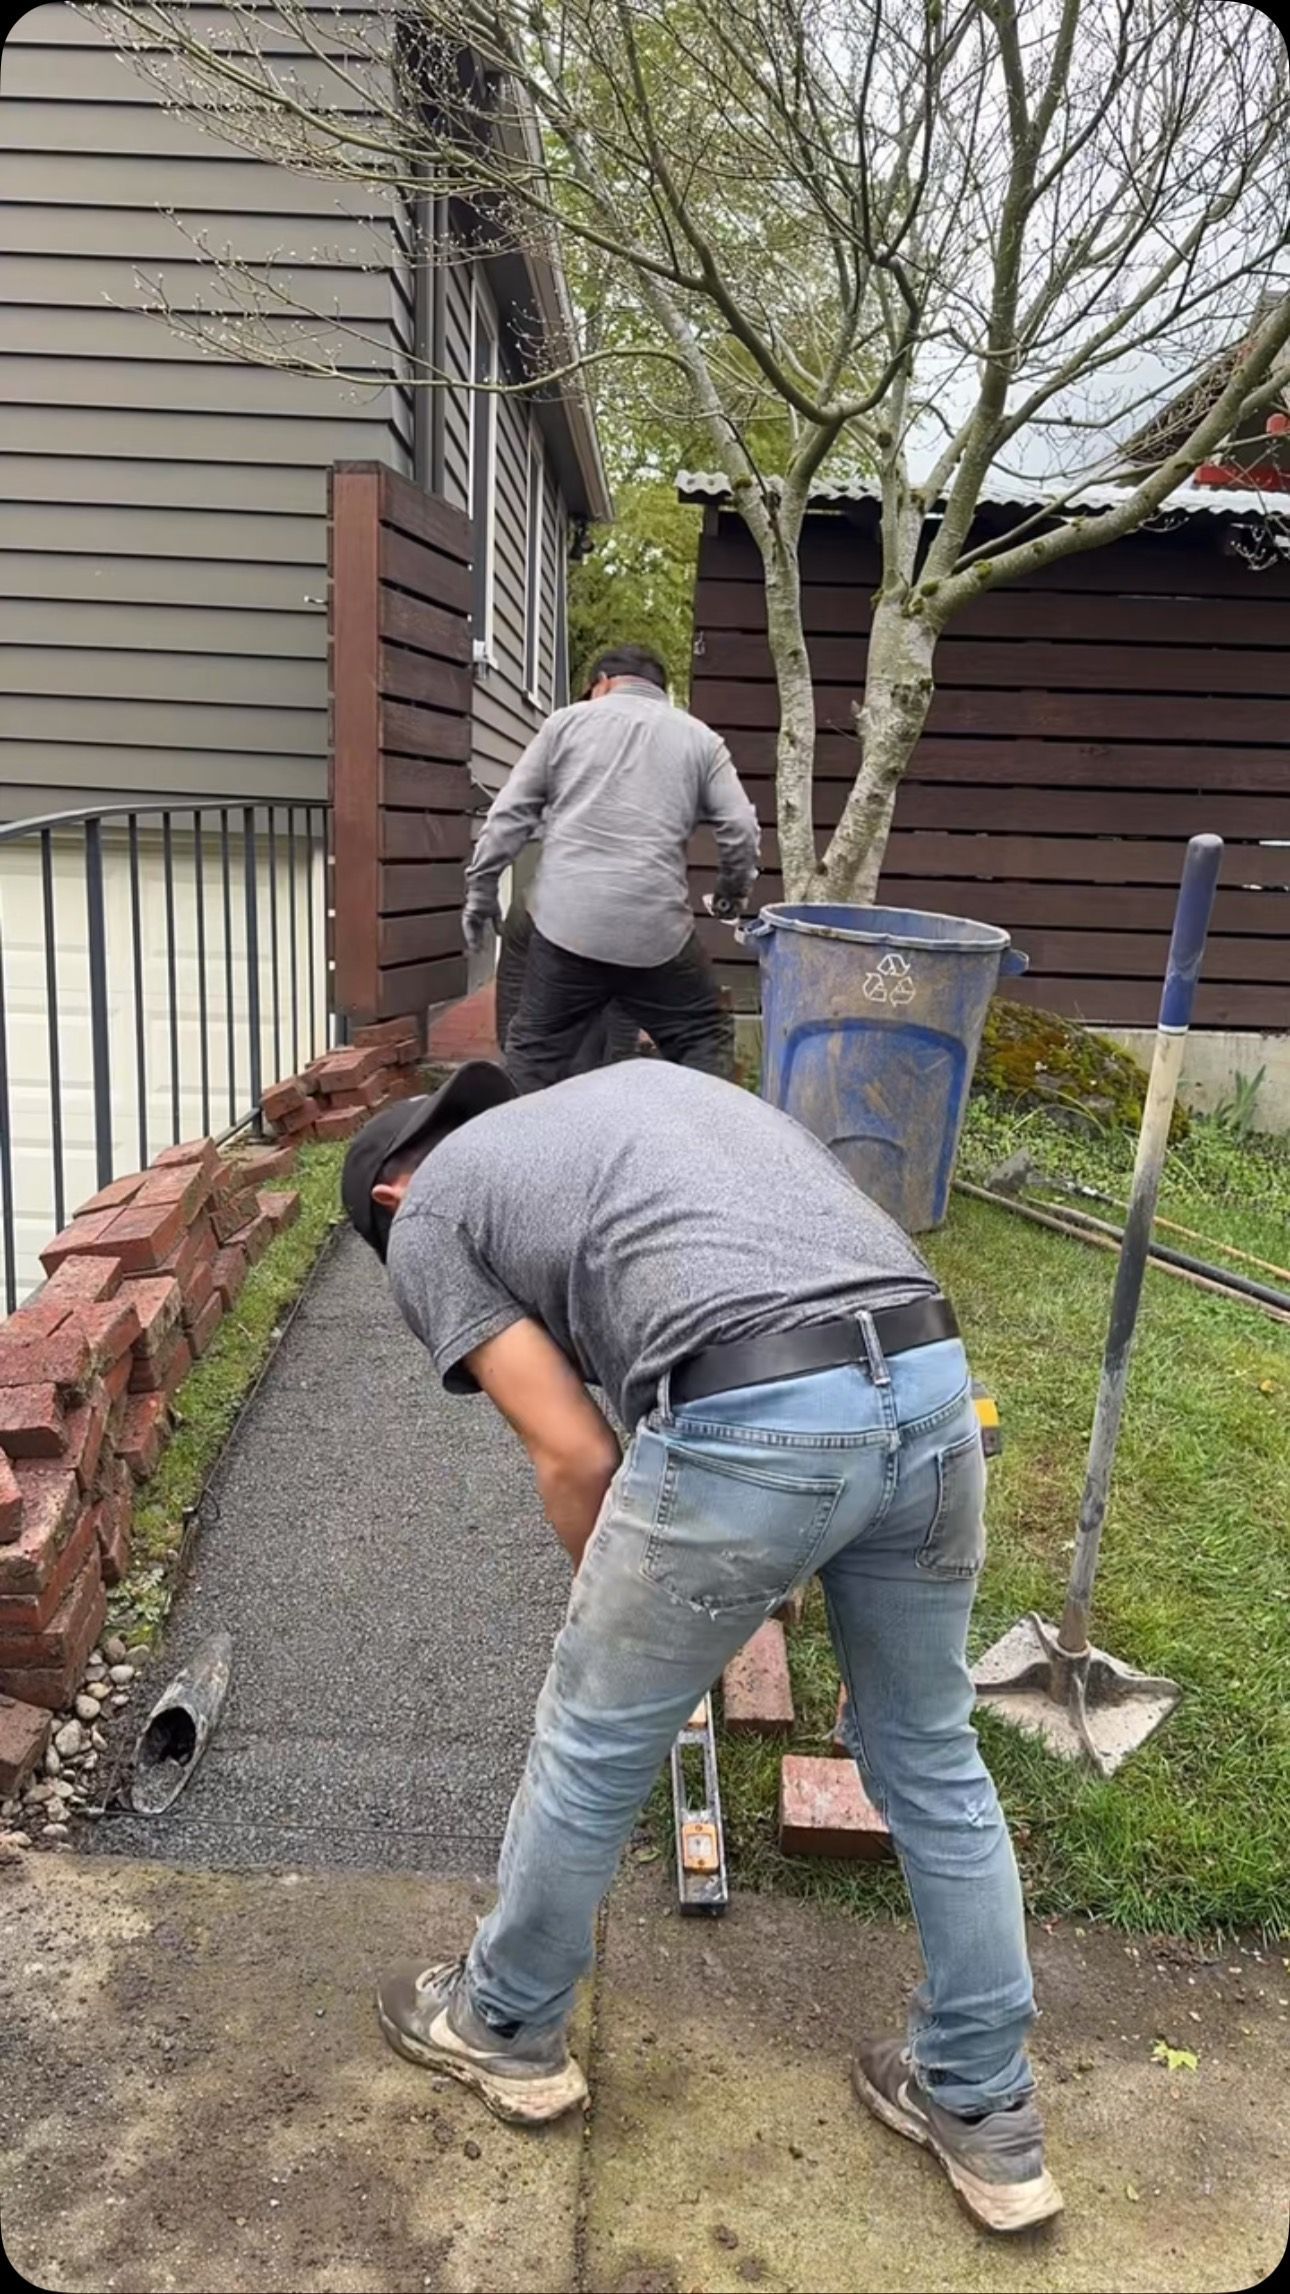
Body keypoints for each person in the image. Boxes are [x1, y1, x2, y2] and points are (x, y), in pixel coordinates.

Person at [341, 1061, 1063, 2237]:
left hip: (754, 1408)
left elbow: (574, 1453)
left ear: (386, 1192)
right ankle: (988, 2109)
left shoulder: (427, 1208)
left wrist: (636, 1620)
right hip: (932, 1390)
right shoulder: (632, 1105)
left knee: (592, 1742)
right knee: (931, 1751)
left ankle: (505, 2023)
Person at [461, 643, 760, 1091]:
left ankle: (512, 1150)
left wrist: (481, 890)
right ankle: (700, 1146)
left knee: (535, 1053)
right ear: (660, 690)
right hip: (655, 936)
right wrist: (732, 892)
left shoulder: (563, 724)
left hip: (566, 930)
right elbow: (740, 827)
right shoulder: (701, 739)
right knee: (703, 1036)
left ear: (601, 682)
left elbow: (509, 815)